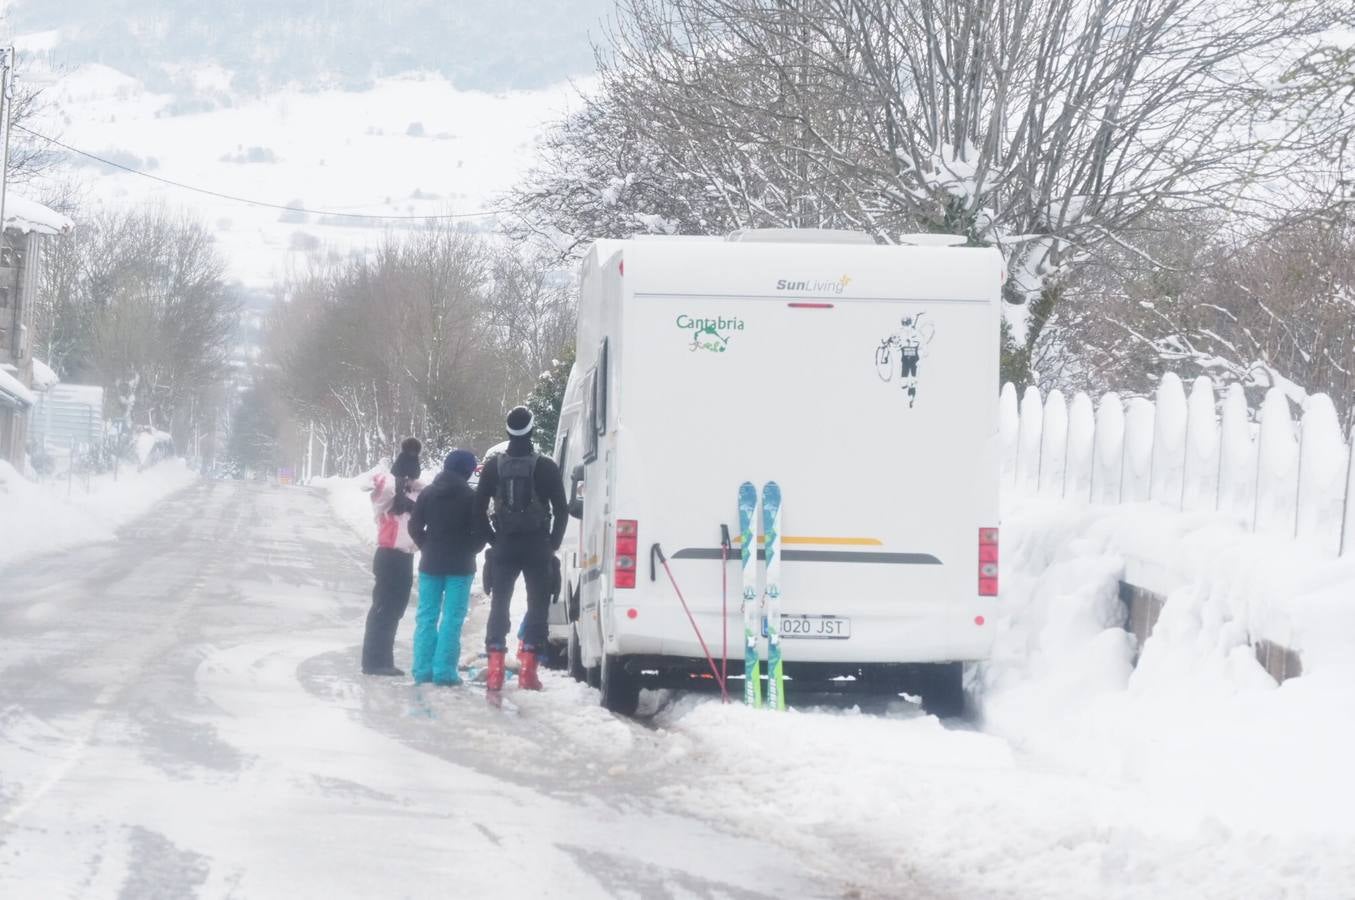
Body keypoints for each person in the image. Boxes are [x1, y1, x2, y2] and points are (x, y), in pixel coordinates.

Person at [475, 406, 568, 691]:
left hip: (504, 545)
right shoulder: (546, 466)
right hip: (538, 546)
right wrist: (552, 543)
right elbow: (562, 510)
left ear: (507, 430)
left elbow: (477, 508)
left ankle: (495, 671)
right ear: (531, 430)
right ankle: (528, 672)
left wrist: (493, 538)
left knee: (499, 604)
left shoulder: (493, 466)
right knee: (537, 606)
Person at [408, 449, 485, 685]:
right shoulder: (472, 497)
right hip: (461, 567)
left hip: (430, 563)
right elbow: (480, 532)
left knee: (426, 617)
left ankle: (422, 670)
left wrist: (426, 545)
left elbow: (414, 526)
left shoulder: (428, 493)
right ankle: (444, 672)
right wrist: (470, 549)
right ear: (467, 470)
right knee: (452, 618)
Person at [361, 437, 423, 676]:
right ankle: (373, 661)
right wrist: (400, 481)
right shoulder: (386, 492)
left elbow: (425, 489)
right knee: (384, 608)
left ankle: (384, 659)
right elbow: (377, 484)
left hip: (405, 557)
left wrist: (411, 485)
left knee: (395, 609)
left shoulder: (414, 492)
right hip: (388, 554)